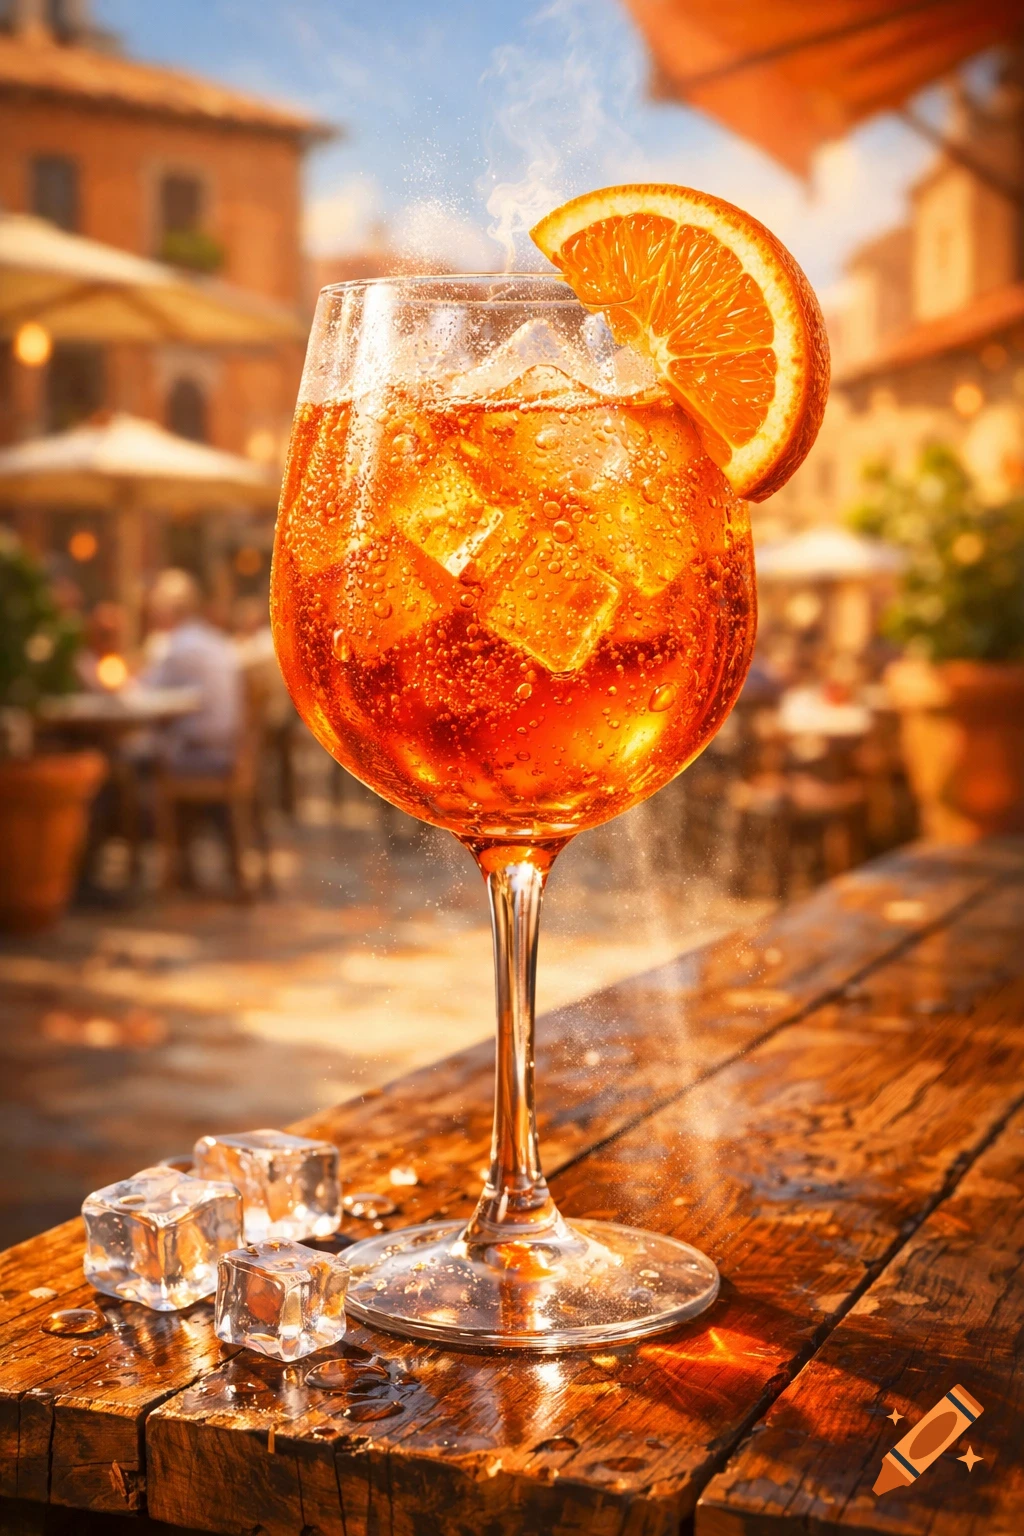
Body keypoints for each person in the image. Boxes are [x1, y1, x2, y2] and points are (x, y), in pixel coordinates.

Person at [141, 568, 241, 776]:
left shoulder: (180, 646)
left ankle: (141, 809)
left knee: (127, 758)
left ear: (167, 610)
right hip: (227, 749)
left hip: (198, 752)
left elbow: (145, 697)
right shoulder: (213, 640)